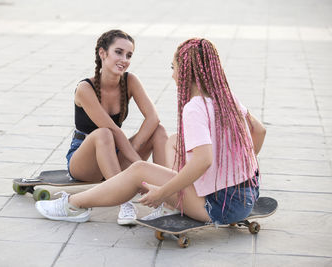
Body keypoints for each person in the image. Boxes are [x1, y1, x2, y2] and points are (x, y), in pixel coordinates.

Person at [35, 38, 266, 226]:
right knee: (175, 141)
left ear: (185, 71)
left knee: (139, 170)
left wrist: (162, 192)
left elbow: (204, 160)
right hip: (247, 196)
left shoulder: (194, 107)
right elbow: (259, 130)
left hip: (219, 207)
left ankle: (73, 205)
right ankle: (169, 203)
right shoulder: (227, 97)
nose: (173, 75)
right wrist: (235, 171)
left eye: (173, 67)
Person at [63, 29, 168, 225]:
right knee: (103, 133)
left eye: (129, 55)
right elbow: (113, 130)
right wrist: (140, 165)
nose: (124, 59)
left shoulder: (130, 81)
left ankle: (166, 198)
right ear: (102, 53)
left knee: (159, 131)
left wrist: (138, 161)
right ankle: (124, 202)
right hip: (85, 161)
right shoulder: (85, 88)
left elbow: (153, 118)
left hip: (114, 152)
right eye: (118, 52)